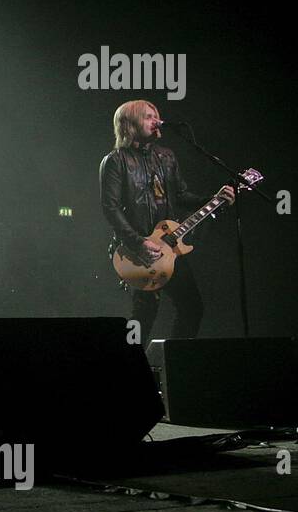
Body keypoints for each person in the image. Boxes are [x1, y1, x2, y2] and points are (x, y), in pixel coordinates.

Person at [99, 99, 233, 346]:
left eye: (156, 115)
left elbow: (180, 195)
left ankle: (171, 363)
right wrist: (137, 242)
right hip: (137, 251)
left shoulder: (166, 156)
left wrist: (213, 199)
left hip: (170, 247)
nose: (157, 121)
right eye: (148, 116)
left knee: (192, 307)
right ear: (129, 124)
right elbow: (110, 207)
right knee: (144, 314)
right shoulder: (116, 161)